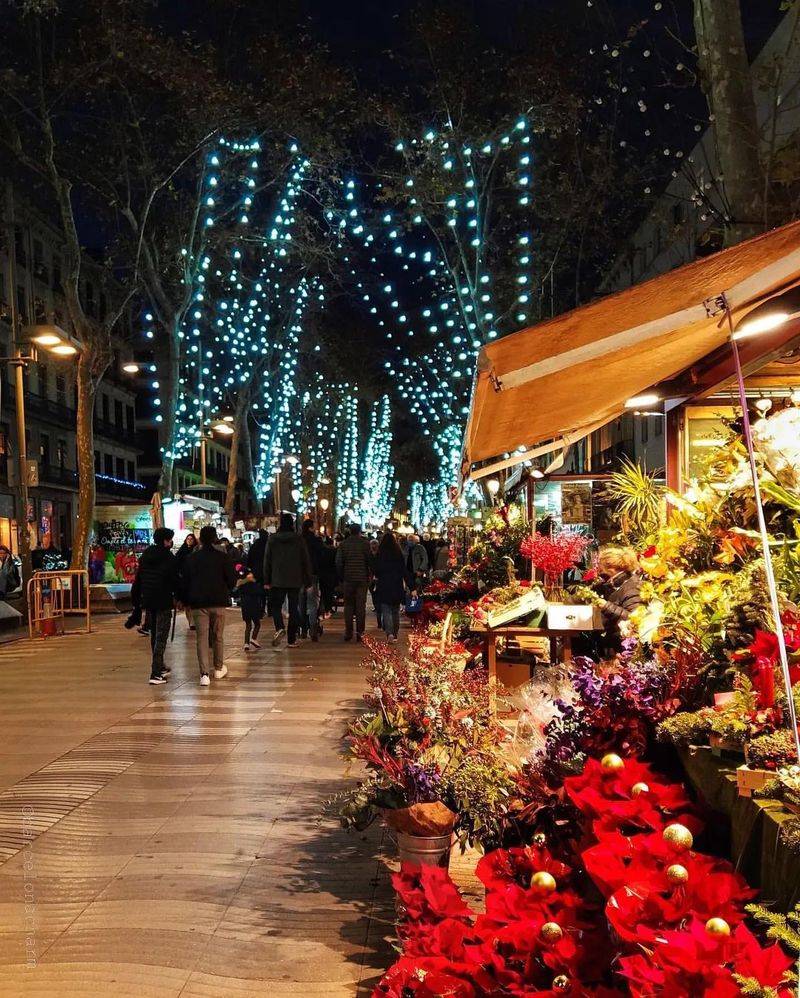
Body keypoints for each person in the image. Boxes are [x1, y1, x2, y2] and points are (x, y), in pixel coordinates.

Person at [182, 525, 236, 686]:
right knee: (218, 636)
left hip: (198, 604)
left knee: (202, 638)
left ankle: (204, 674)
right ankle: (218, 669)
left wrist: (184, 599)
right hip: (218, 601)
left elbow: (185, 581)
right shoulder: (223, 557)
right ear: (215, 538)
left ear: (200, 539)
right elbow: (231, 580)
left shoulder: (192, 559)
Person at [130, 527, 179, 685]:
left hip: (148, 599)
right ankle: (156, 673)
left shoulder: (146, 555)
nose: (170, 542)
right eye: (169, 540)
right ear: (165, 540)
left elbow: (139, 579)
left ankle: (160, 666)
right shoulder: (168, 557)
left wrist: (137, 601)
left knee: (154, 635)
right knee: (161, 637)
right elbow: (174, 580)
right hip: (163, 600)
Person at [264, 513, 312, 648]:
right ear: (292, 524)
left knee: (275, 606)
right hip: (295, 578)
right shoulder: (299, 539)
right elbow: (305, 560)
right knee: (293, 607)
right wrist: (308, 580)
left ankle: (279, 626)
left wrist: (266, 580)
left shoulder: (272, 539)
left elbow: (267, 560)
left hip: (277, 578)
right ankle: (291, 639)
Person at [592, 546, 643, 655]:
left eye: (601, 571)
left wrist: (606, 606)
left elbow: (632, 618)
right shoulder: (615, 585)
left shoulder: (633, 587)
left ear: (611, 568)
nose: (600, 574)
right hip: (614, 644)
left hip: (624, 648)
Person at [372, 532, 414, 643]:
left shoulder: (380, 554)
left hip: (384, 584)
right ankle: (395, 634)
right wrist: (411, 586)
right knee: (395, 610)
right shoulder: (398, 553)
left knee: (386, 610)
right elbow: (404, 570)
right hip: (396, 584)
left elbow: (376, 570)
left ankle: (389, 633)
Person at [336, 521, 372, 642]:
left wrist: (341, 576)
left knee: (349, 606)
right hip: (362, 579)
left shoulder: (343, 545)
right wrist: (369, 574)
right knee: (361, 606)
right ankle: (360, 633)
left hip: (348, 578)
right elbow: (369, 560)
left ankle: (348, 632)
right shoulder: (365, 544)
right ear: (359, 531)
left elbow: (338, 562)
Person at [300, 519, 325, 641]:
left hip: (299, 576)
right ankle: (313, 630)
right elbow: (322, 557)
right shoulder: (316, 541)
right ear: (310, 527)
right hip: (313, 575)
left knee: (301, 604)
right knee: (312, 604)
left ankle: (303, 630)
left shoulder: (298, 541)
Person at [236, 568, 264, 650]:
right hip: (254, 605)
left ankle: (246, 643)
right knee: (257, 624)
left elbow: (237, 589)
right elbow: (260, 592)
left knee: (248, 625)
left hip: (245, 605)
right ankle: (254, 638)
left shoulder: (242, 583)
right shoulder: (254, 584)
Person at [174, 533, 198, 629]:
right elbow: (177, 563)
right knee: (187, 602)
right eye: (188, 539)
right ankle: (191, 622)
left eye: (191, 539)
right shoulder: (181, 551)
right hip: (184, 580)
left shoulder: (196, 551)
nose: (189, 540)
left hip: (194, 579)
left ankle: (194, 621)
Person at [318, 535, 338, 618]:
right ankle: (328, 608)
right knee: (329, 592)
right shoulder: (333, 551)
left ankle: (322, 609)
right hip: (331, 575)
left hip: (321, 574)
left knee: (322, 592)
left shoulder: (319, 551)